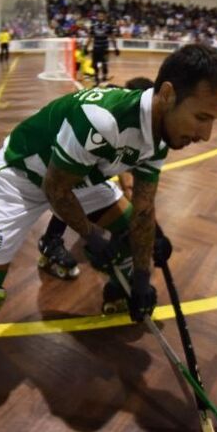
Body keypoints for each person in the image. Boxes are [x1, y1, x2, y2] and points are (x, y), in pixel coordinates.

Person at [0, 44, 217, 383]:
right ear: (168, 95)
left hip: (78, 178)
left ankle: (118, 290)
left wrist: (142, 278)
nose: (205, 135)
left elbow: (143, 211)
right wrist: (91, 236)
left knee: (134, 235)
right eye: (201, 118)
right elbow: (55, 190)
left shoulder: (161, 134)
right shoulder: (103, 118)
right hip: (23, 179)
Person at [36, 77, 154, 280]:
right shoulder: (115, 119)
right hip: (48, 166)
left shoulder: (120, 105)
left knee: (83, 190)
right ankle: (51, 240)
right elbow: (128, 185)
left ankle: (51, 239)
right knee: (74, 190)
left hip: (62, 160)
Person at [88, 10, 119, 86]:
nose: (100, 17)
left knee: (104, 63)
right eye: (99, 16)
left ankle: (104, 76)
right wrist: (86, 47)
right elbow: (90, 37)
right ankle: (96, 77)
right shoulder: (93, 26)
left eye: (102, 16)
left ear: (105, 17)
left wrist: (116, 48)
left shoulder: (109, 26)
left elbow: (112, 37)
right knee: (94, 64)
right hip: (96, 48)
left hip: (104, 48)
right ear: (97, 17)